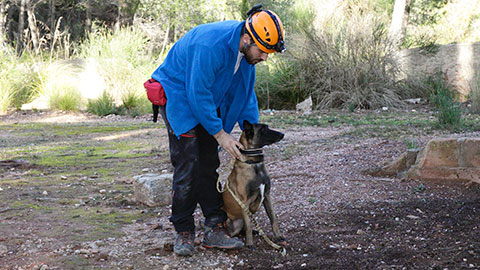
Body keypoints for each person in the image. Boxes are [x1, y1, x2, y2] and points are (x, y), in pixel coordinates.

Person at [150, 5, 285, 256]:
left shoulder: (246, 55)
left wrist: (251, 133)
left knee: (209, 163)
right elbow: (196, 92)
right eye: (263, 51)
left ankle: (214, 226)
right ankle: (183, 229)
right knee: (188, 165)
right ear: (247, 38)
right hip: (180, 95)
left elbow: (245, 95)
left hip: (205, 99)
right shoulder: (210, 46)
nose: (265, 57)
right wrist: (220, 134)